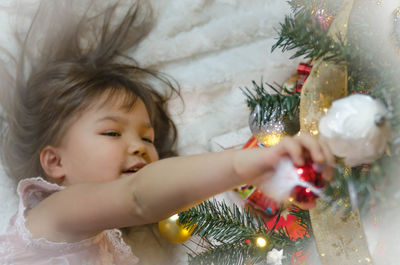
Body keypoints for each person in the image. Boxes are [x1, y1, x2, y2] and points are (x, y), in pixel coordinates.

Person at [0, 0, 334, 264]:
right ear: (55, 162)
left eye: (147, 138)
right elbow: (138, 195)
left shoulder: (108, 244)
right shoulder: (51, 212)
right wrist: (238, 165)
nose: (140, 148)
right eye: (112, 133)